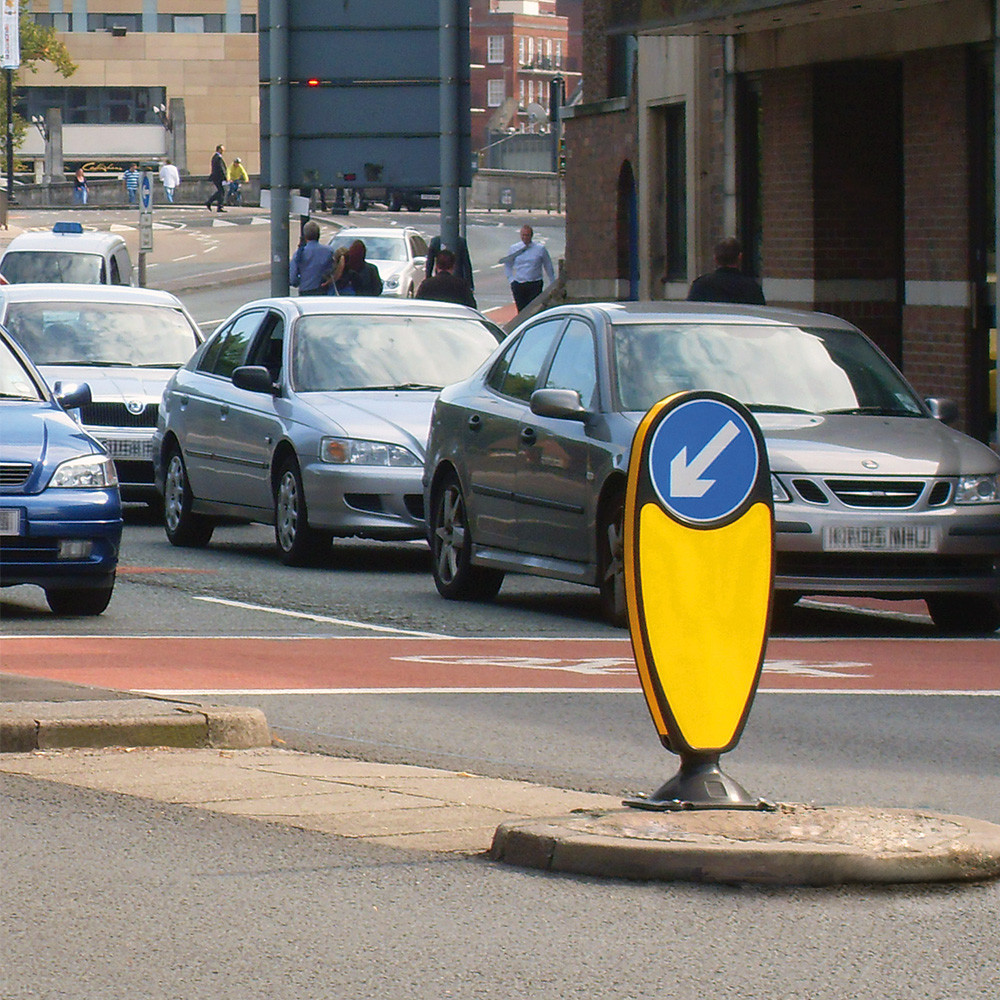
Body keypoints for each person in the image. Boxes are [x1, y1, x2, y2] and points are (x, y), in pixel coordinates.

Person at [687, 237, 766, 305]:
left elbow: (692, 312)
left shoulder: (701, 285)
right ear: (740, 257)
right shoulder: (752, 288)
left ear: (715, 258)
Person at [502, 224, 555, 312]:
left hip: (535, 284)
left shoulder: (540, 249)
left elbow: (548, 265)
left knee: (534, 310)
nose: (525, 237)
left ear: (531, 236)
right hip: (519, 284)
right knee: (522, 311)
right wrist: (511, 280)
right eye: (523, 235)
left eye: (527, 235)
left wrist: (552, 282)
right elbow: (508, 265)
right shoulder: (514, 248)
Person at [289, 220, 334, 295]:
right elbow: (332, 269)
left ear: (305, 236)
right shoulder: (328, 251)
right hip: (323, 290)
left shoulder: (299, 253)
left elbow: (293, 278)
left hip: (306, 291)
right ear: (318, 235)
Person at [206, 144, 227, 213]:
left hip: (216, 177)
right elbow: (221, 169)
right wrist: (225, 177)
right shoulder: (218, 158)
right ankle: (218, 206)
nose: (223, 151)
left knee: (220, 191)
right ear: (219, 150)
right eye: (222, 149)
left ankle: (210, 202)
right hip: (218, 177)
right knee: (221, 191)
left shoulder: (216, 157)